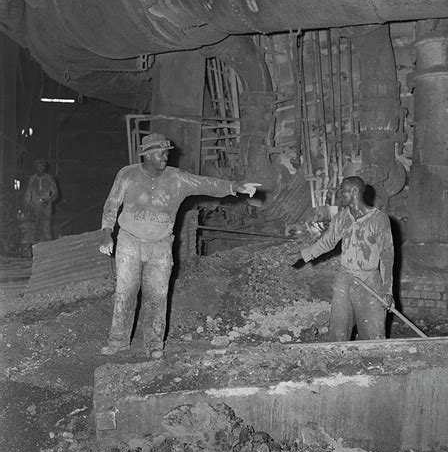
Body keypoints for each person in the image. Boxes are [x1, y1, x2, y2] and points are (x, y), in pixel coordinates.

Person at [99, 132, 261, 359]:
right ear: (146, 156)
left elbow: (206, 184)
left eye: (166, 153)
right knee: (125, 292)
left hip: (161, 245)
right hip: (129, 241)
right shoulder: (127, 175)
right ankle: (118, 342)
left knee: (157, 294)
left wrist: (235, 187)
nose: (165, 157)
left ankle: (154, 345)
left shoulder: (177, 178)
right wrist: (107, 233)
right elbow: (111, 204)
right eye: (159, 153)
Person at [290, 176, 394, 341]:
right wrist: (303, 255)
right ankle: (338, 360)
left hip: (369, 279)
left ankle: (373, 362)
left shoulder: (379, 219)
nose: (339, 194)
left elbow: (387, 257)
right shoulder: (341, 217)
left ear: (354, 191)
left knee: (372, 332)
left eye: (343, 190)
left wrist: (387, 291)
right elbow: (327, 242)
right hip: (345, 278)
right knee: (338, 328)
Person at [24, 159, 58, 243]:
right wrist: (27, 204)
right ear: (36, 167)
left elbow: (55, 193)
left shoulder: (49, 178)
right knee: (34, 227)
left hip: (45, 205)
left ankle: (48, 248)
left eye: (42, 166)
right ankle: (33, 248)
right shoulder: (32, 179)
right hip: (34, 205)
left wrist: (48, 201)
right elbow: (28, 192)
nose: (40, 168)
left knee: (46, 226)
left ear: (45, 168)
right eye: (38, 166)